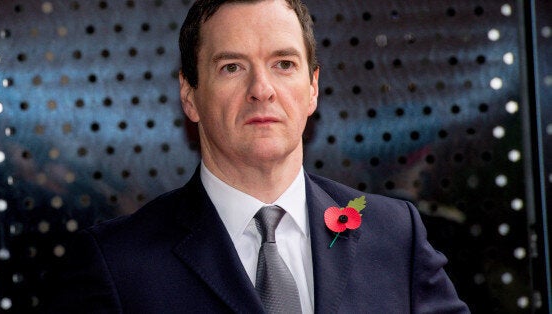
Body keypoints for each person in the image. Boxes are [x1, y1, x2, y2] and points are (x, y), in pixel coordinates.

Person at [46, 0, 470, 313]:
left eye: (283, 64)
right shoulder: (117, 265)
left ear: (313, 88)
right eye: (232, 67)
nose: (262, 89)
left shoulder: (395, 236)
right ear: (189, 96)